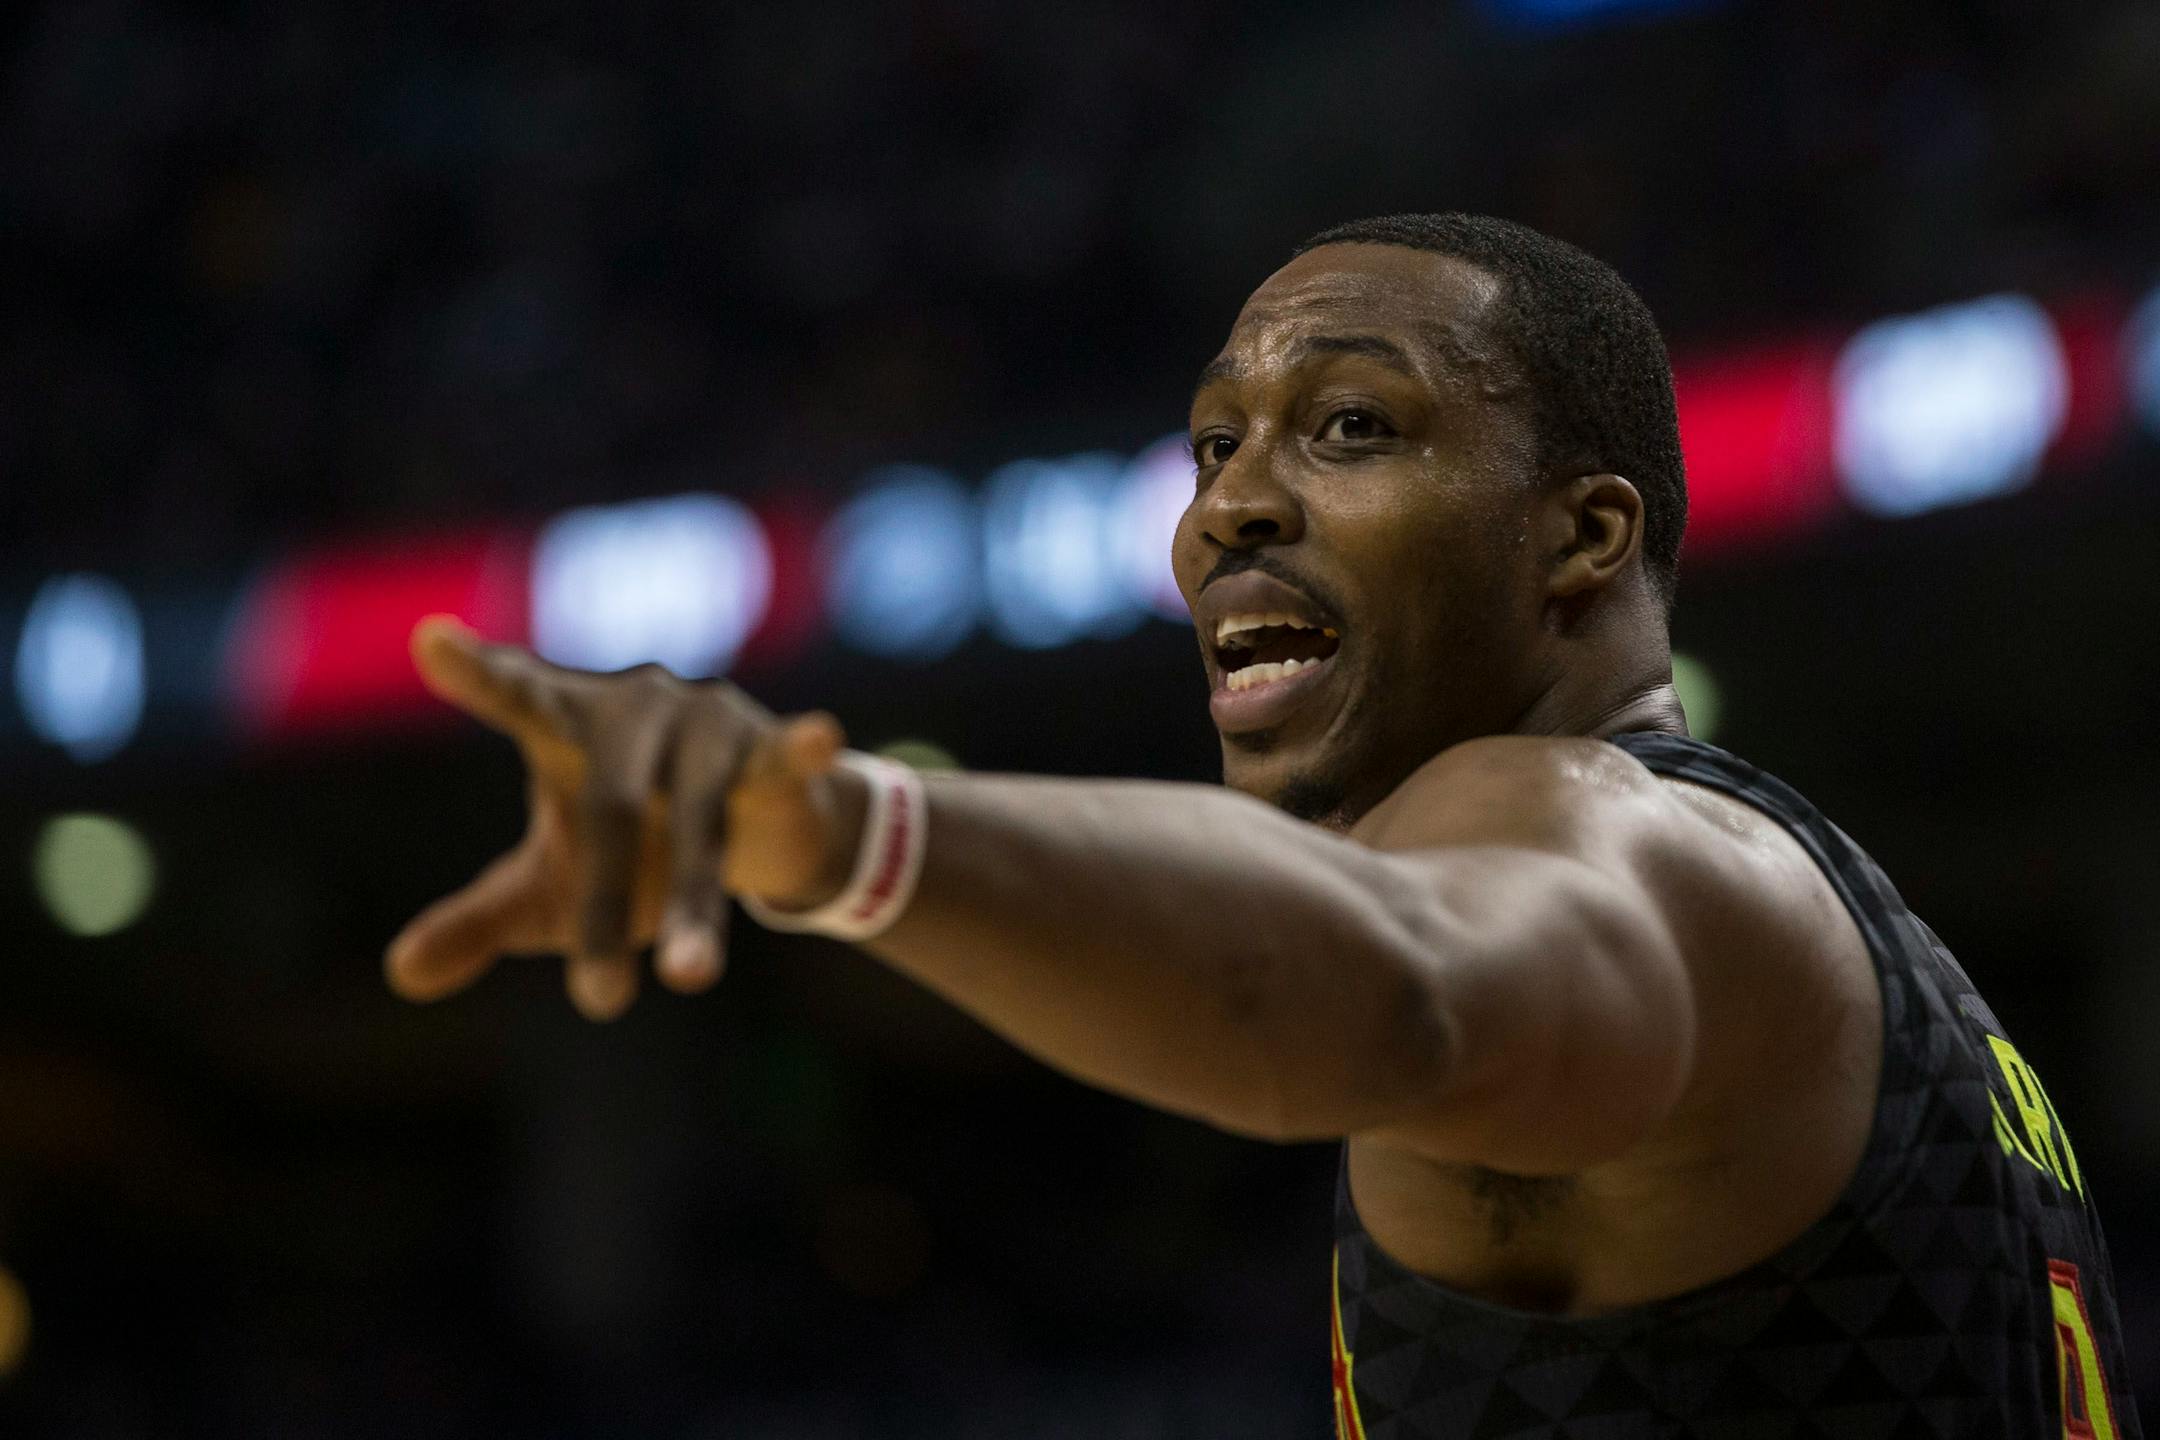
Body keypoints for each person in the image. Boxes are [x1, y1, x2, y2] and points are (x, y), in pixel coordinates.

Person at [383, 213, 2142, 1438]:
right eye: (1214, 443)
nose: (1230, 506)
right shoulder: (1893, 972)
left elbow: (1399, 986)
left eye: (1352, 426)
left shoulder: (1583, 821)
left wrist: (832, 833)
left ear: (1583, 539)